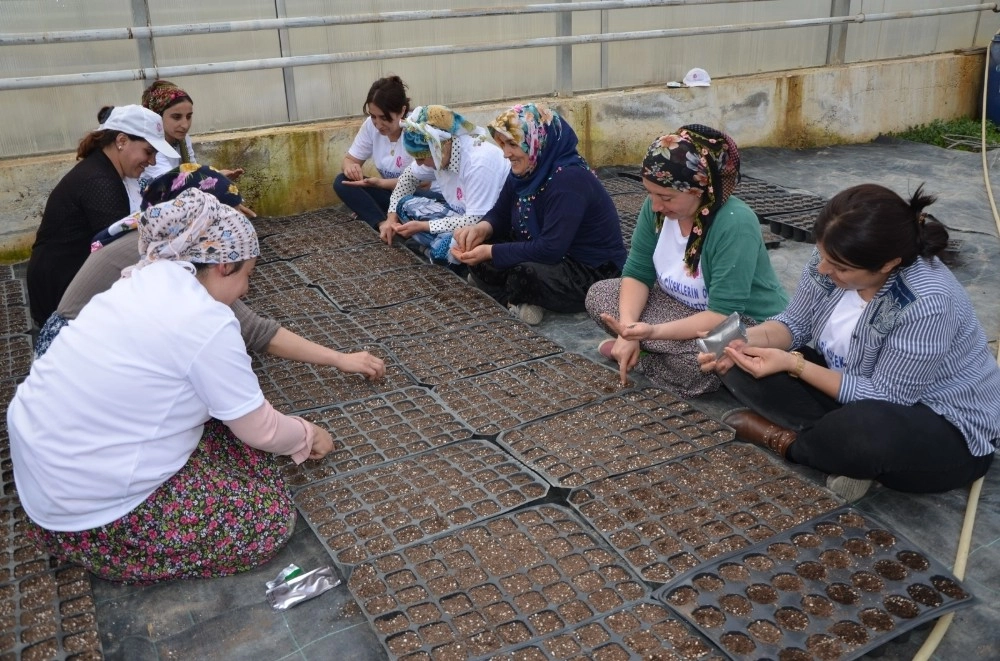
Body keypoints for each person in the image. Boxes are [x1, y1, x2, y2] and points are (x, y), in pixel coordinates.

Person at [10, 188, 335, 584]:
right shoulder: (206, 321)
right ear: (223, 267)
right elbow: (262, 429)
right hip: (82, 505)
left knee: (225, 428)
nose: (247, 289)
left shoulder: (146, 278)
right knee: (268, 519)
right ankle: (107, 545)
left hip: (43, 467)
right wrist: (308, 434)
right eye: (248, 275)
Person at [701, 183, 1000, 501]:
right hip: (853, 391)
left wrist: (794, 364)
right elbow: (795, 323)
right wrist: (739, 341)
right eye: (824, 256)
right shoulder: (832, 253)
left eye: (840, 268)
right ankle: (841, 453)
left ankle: (791, 443)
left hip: (935, 424)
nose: (823, 269)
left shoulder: (926, 301)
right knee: (736, 363)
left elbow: (888, 398)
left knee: (865, 432)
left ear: (887, 265)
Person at [34, 165, 386, 382]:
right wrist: (340, 359)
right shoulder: (167, 259)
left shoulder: (166, 237)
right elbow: (255, 331)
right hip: (75, 362)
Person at [585, 125, 788, 396]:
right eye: (650, 193)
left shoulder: (734, 223)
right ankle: (644, 352)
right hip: (682, 309)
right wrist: (628, 330)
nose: (655, 205)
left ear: (699, 189)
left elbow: (723, 314)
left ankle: (646, 355)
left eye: (666, 197)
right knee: (600, 295)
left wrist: (649, 333)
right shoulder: (656, 210)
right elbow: (636, 273)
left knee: (698, 365)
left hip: (746, 324)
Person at [451, 103, 626, 325]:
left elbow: (550, 249)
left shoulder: (569, 180)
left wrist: (491, 251)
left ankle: (515, 296)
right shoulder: (525, 171)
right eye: (502, 144)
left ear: (537, 141)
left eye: (513, 144)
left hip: (588, 270)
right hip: (545, 251)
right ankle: (516, 298)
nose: (506, 154)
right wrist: (480, 229)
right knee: (480, 249)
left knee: (523, 273)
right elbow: (500, 214)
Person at [26, 104, 180, 326]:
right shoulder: (101, 182)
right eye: (149, 151)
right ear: (122, 141)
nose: (153, 161)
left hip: (61, 284)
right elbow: (119, 254)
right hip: (64, 295)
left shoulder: (103, 170)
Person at [378, 105, 509, 265]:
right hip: (458, 217)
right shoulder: (441, 152)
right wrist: (391, 218)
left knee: (446, 248)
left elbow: (476, 221)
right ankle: (432, 249)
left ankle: (433, 250)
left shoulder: (479, 163)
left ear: (440, 147)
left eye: (421, 157)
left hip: (482, 227)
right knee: (404, 205)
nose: (418, 164)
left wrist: (424, 226)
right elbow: (407, 178)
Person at [333, 76, 424, 229]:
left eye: (384, 117)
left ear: (402, 111)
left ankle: (382, 218)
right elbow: (350, 159)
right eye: (373, 116)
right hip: (391, 194)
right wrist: (350, 167)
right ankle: (382, 224)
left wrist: (382, 183)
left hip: (418, 196)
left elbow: (424, 182)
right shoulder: (371, 126)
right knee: (342, 182)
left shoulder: (416, 129)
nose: (378, 124)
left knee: (411, 204)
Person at [134, 80, 246, 205]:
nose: (185, 124)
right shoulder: (150, 147)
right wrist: (215, 179)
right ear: (157, 116)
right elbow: (173, 182)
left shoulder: (182, 139)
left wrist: (217, 176)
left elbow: (193, 170)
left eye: (189, 116)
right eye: (176, 117)